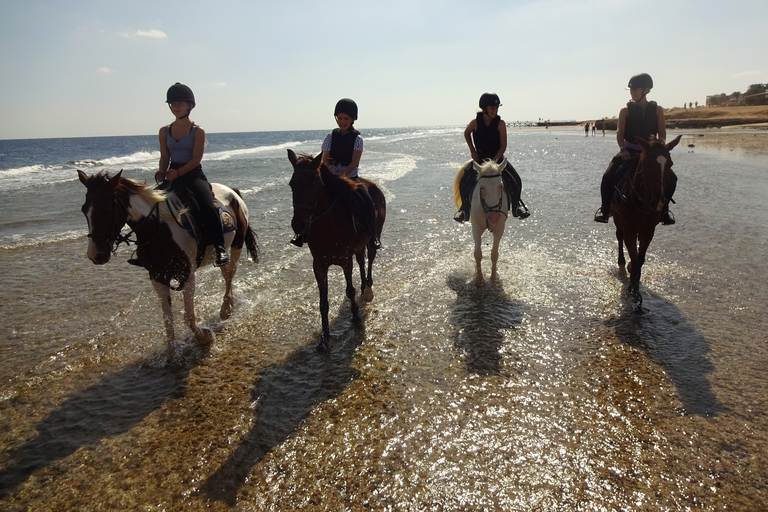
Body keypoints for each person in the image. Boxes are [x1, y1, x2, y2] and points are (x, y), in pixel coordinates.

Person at [132, 82, 229, 267]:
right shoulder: (164, 131)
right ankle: (144, 249)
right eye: (173, 104)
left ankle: (219, 247)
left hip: (192, 174)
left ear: (189, 106)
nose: (176, 107)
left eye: (180, 103)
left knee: (207, 205)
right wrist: (162, 170)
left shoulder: (197, 131)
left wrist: (178, 173)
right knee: (149, 206)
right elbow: (165, 156)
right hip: (171, 174)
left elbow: (196, 160)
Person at [290, 98, 380, 249]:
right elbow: (325, 159)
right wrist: (330, 174)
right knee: (311, 201)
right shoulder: (330, 137)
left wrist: (343, 174)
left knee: (367, 201)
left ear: (352, 119)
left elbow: (354, 163)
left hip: (350, 177)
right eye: (340, 118)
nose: (342, 121)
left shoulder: (358, 139)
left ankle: (372, 236)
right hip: (330, 177)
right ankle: (301, 234)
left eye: (346, 118)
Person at [594, 73, 677, 225]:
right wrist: (623, 149)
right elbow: (620, 133)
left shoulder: (657, 109)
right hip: (629, 151)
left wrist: (660, 145)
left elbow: (662, 132)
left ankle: (664, 211)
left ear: (646, 90)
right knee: (607, 176)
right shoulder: (625, 110)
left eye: (635, 89)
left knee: (672, 178)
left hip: (650, 153)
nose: (632, 92)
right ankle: (605, 210)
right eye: (631, 90)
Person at [454, 92, 529, 223]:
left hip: (497, 159)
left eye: (497, 108)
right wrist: (472, 150)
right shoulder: (475, 123)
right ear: (484, 108)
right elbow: (466, 133)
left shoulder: (500, 123)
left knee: (515, 179)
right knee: (464, 180)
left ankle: (517, 206)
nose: (495, 110)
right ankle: (464, 210)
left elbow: (503, 146)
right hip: (480, 160)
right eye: (492, 108)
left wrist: (494, 162)